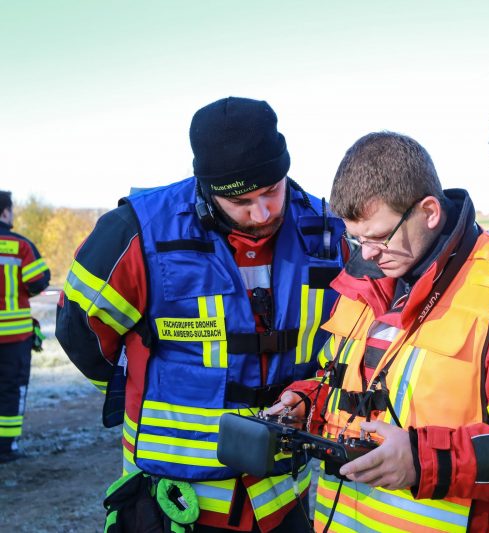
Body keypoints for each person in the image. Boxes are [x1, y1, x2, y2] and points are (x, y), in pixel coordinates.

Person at [55, 97, 346, 532]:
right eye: (243, 201)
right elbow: (80, 330)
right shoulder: (138, 230)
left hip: (284, 498)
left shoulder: (326, 232)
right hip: (177, 501)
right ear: (208, 189)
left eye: (272, 191)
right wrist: (140, 387)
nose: (263, 213)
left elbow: (343, 342)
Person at [269, 131, 489, 532]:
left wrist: (424, 460)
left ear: (429, 212)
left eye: (378, 237)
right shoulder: (364, 279)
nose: (367, 253)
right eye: (355, 239)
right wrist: (305, 400)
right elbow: (333, 379)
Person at [0, 190, 50, 463]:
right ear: (5, 212)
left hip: (16, 335)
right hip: (13, 337)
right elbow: (38, 281)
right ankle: (6, 448)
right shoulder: (19, 245)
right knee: (11, 388)